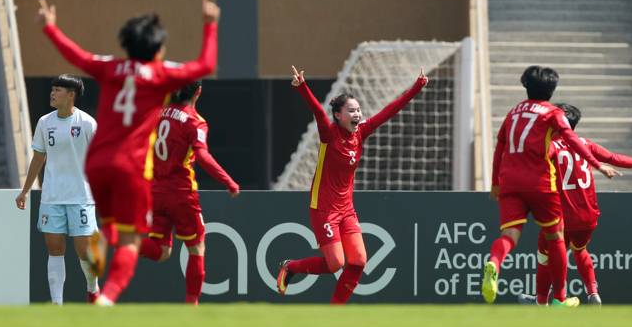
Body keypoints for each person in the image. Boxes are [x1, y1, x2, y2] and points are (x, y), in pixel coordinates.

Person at [37, 0, 220, 305]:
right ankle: (105, 298)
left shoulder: (110, 67)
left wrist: (50, 28)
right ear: (158, 49)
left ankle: (95, 269)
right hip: (130, 169)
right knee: (130, 242)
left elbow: (77, 56)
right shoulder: (161, 76)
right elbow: (206, 64)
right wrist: (210, 25)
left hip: (95, 165)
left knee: (109, 232)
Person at [276, 65, 428, 304]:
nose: (357, 114)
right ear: (338, 115)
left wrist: (417, 87)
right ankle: (291, 267)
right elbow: (318, 112)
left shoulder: (361, 132)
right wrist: (303, 87)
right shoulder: (329, 133)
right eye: (351, 110)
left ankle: (336, 312)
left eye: (358, 110)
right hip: (323, 208)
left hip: (346, 209)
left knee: (358, 261)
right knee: (335, 263)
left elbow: (389, 111)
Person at [484, 65, 620, 307]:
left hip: (510, 182)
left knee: (509, 236)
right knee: (556, 236)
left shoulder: (512, 112)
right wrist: (596, 164)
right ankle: (559, 298)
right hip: (540, 182)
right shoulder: (552, 113)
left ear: (526, 86)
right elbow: (571, 140)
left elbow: (499, 148)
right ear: (552, 89)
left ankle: (494, 263)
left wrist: (496, 183)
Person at [517, 103, 632, 306]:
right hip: (588, 217)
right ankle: (593, 294)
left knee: (546, 256)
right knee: (580, 250)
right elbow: (613, 158)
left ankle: (541, 302)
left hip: (561, 218)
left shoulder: (552, 146)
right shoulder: (586, 144)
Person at [138, 81, 240, 304]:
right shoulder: (195, 121)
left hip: (155, 191)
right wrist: (229, 181)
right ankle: (191, 306)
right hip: (181, 192)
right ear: (199, 92)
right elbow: (202, 156)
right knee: (197, 247)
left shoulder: (157, 113)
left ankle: (125, 243)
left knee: (162, 251)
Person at [15, 74, 99, 304]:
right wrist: (24, 190)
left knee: (84, 250)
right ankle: (56, 303)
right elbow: (38, 158)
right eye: (52, 89)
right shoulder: (45, 122)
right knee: (55, 248)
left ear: (71, 95)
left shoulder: (87, 123)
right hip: (51, 196)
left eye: (58, 90)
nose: (52, 93)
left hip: (81, 196)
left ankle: (93, 288)